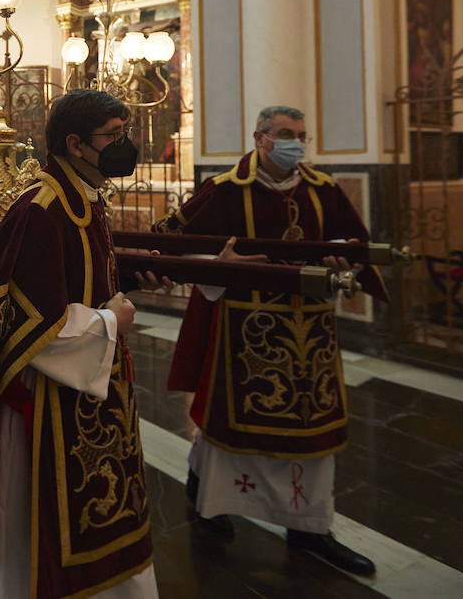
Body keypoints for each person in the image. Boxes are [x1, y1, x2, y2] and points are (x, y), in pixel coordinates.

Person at [157, 105, 386, 577]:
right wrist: (218, 264)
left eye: (302, 135)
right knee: (233, 421)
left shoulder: (323, 190)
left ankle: (311, 528)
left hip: (312, 334)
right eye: (286, 134)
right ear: (260, 138)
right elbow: (172, 242)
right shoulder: (223, 191)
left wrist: (346, 261)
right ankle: (211, 500)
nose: (297, 143)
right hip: (245, 331)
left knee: (314, 429)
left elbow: (355, 246)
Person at [0, 90, 165, 597]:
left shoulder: (86, 197)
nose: (126, 145)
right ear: (76, 144)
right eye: (113, 136)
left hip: (93, 382)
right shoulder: (44, 207)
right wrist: (108, 320)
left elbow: (79, 279)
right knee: (57, 515)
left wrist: (123, 292)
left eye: (125, 133)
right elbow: (23, 322)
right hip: (52, 399)